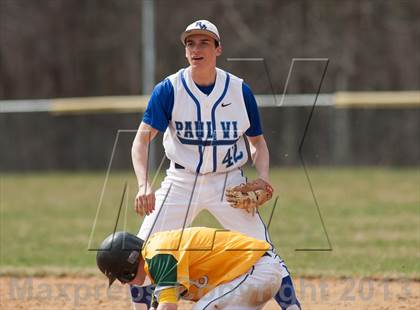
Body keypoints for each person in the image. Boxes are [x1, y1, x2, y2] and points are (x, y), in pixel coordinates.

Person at [131, 20, 300, 309]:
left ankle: (294, 307)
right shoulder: (169, 89)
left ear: (218, 48)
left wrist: (263, 177)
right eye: (190, 43)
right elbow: (141, 141)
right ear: (185, 51)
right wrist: (144, 184)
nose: (196, 49)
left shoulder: (238, 90)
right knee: (140, 251)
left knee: (264, 252)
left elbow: (257, 143)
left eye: (204, 43)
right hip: (180, 182)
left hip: (229, 183)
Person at [97, 228, 300, 310]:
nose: (124, 283)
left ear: (127, 267)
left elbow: (167, 307)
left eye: (121, 278)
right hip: (252, 277)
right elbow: (159, 304)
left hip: (256, 270)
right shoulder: (156, 261)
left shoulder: (157, 253)